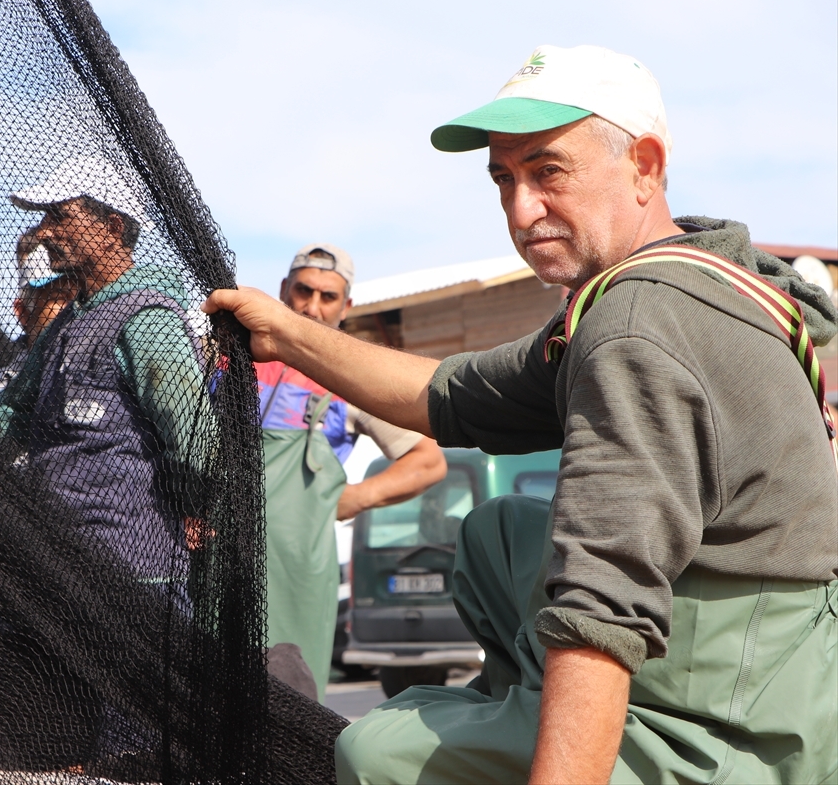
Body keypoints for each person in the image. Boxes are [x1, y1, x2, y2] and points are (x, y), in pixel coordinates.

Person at [206, 44, 838, 784]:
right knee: (497, 533)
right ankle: (518, 715)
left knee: (375, 753)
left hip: (733, 719)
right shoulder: (694, 275)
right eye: (504, 179)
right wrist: (284, 336)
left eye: (549, 172)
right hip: (773, 656)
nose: (520, 209)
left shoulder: (636, 330)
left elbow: (601, 615)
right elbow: (450, 394)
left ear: (645, 164)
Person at [0, 155, 216, 610]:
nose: (43, 230)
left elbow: (196, 437)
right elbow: (11, 414)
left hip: (134, 579)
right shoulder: (69, 323)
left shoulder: (148, 320)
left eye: (59, 215)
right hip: (56, 566)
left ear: (112, 227)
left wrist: (198, 507)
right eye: (43, 217)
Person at [260, 243, 447, 701]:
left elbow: (427, 461)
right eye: (304, 291)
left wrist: (349, 500)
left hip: (298, 568)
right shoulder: (235, 361)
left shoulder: (350, 380)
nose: (312, 306)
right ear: (284, 290)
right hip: (214, 550)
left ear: (347, 307)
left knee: (288, 694)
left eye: (328, 297)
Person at [0, 228, 78, 409]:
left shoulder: (108, 377)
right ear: (23, 313)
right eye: (59, 297)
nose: (73, 308)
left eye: (79, 298)